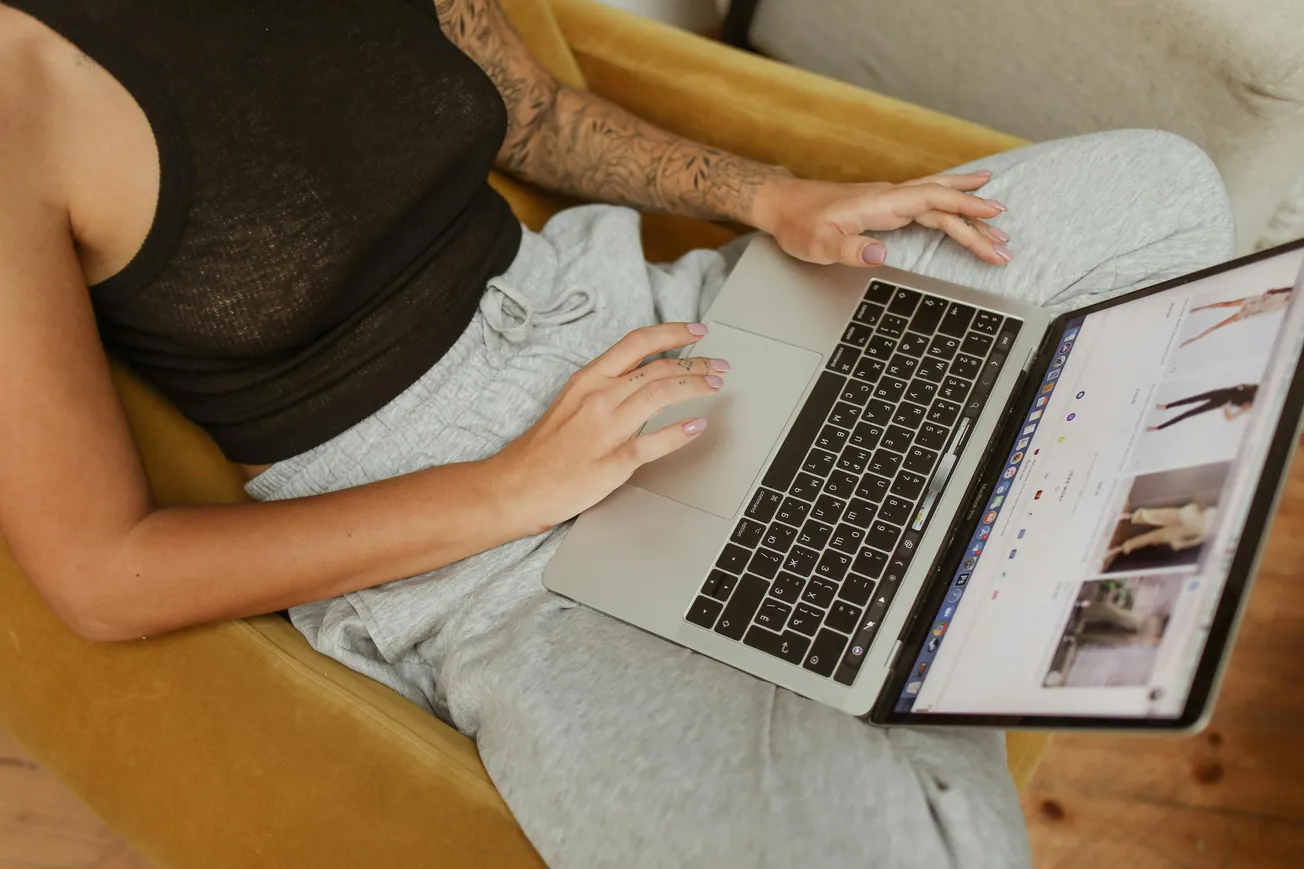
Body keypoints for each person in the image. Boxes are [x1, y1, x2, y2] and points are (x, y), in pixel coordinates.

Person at [0, 1, 1236, 866]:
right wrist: (514, 484)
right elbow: (104, 572)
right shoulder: (18, 93)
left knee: (1155, 190)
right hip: (483, 556)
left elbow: (532, 113)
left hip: (656, 327)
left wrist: (767, 196)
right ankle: (867, 586)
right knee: (884, 844)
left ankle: (849, 563)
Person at [1103, 503, 1216, 570]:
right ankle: (1127, 517)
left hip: (1195, 530)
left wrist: (1182, 543)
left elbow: (1201, 539)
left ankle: (1121, 547)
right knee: (1158, 516)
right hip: (1192, 516)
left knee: (1154, 537)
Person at [1180, 286, 1293, 347]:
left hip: (1257, 307)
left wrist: (1195, 339)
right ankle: (1197, 309)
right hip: (1257, 304)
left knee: (1220, 322)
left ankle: (1195, 332)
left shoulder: (1283, 300)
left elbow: (1266, 310)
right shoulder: (1284, 296)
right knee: (1226, 306)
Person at [1147, 383, 1256, 431]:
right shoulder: (1253, 388)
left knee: (1189, 413)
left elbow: (1230, 418)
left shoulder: (1249, 405)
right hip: (1219, 393)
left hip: (1220, 402)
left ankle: (1159, 427)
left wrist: (1226, 409)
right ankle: (1167, 406)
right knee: (1192, 399)